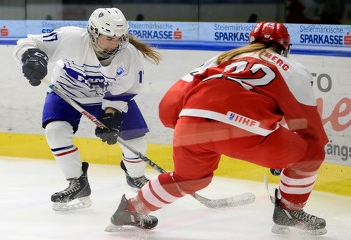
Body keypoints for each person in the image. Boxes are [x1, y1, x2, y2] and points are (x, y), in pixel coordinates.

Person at [109, 22, 329, 235]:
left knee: (190, 179)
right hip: (243, 129)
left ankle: (130, 210)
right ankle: (290, 211)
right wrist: (288, 159)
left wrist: (187, 126)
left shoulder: (223, 58)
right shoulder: (293, 68)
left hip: (191, 122)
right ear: (285, 47)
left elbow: (171, 104)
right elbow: (309, 128)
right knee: (312, 152)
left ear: (251, 41)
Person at [14, 8, 161, 211]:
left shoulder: (129, 55)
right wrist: (32, 58)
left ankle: (135, 176)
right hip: (66, 92)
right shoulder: (71, 37)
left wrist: (112, 115)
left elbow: (125, 90)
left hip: (107, 97)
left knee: (135, 138)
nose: (115, 43)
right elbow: (28, 43)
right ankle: (77, 182)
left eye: (120, 37)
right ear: (93, 32)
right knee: (56, 131)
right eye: (109, 37)